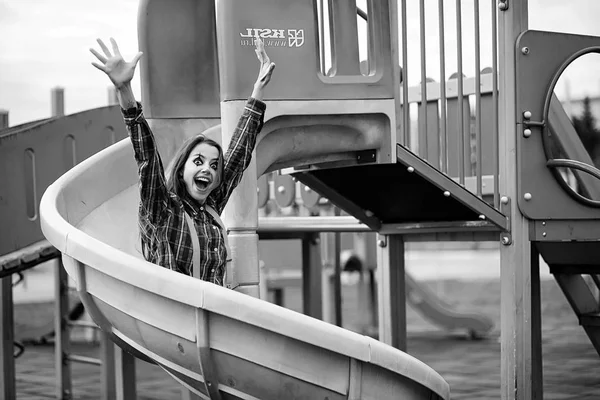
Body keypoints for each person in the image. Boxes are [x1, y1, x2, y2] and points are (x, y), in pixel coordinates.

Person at [89, 37, 275, 287]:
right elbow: (147, 157)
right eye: (198, 161)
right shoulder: (163, 210)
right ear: (181, 170)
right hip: (174, 319)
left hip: (212, 318)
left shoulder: (210, 209)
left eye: (213, 165)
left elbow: (238, 155)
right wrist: (125, 92)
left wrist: (258, 90)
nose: (207, 169)